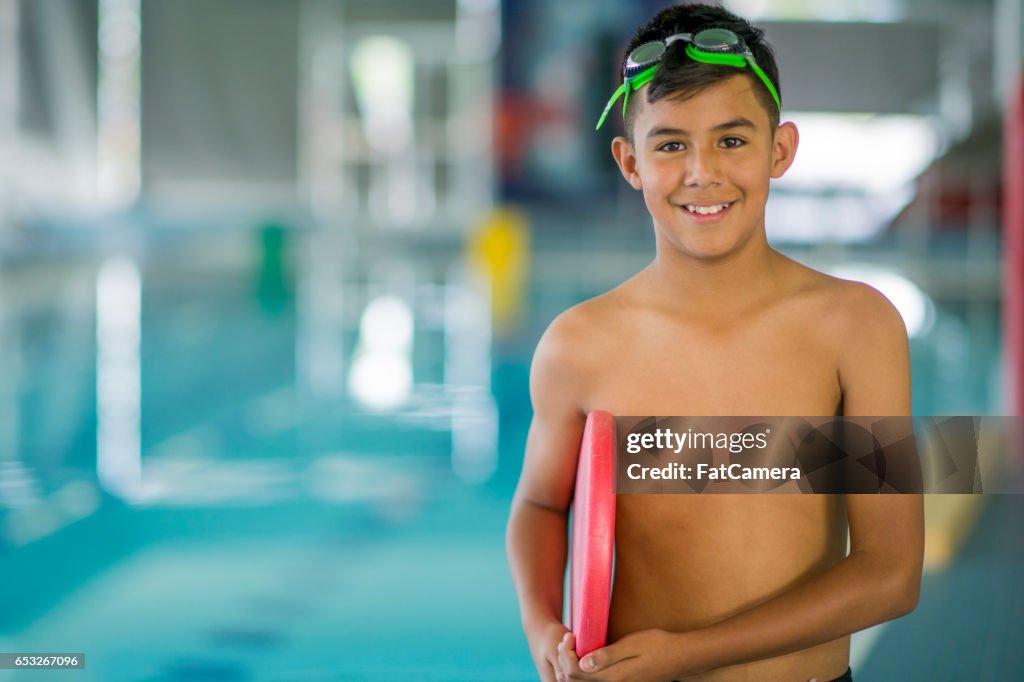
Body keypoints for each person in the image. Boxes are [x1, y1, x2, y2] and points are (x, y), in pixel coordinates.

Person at [505, 4, 924, 681]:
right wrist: (541, 624)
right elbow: (539, 504)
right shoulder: (578, 345)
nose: (702, 172)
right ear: (629, 161)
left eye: (732, 140)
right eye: (670, 144)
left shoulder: (856, 326)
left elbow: (892, 573)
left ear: (779, 150)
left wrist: (684, 655)